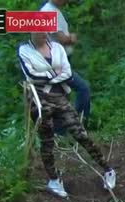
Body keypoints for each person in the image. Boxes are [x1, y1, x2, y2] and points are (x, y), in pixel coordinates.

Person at [17, 33, 116, 199]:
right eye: (39, 30)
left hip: (59, 97)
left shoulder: (57, 48)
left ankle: (108, 170)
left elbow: (68, 73)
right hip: (39, 101)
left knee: (80, 133)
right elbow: (31, 75)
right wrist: (55, 74)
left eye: (45, 30)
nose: (43, 33)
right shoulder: (24, 50)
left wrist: (48, 78)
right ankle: (54, 180)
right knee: (47, 140)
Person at [39, 0, 91, 128]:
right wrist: (71, 38)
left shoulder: (51, 10)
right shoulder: (49, 11)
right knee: (83, 89)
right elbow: (62, 39)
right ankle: (76, 124)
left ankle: (61, 130)